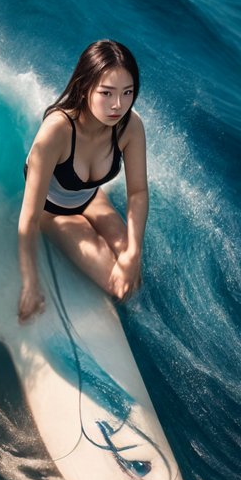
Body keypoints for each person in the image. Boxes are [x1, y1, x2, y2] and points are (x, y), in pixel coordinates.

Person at [18, 39, 148, 324]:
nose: (118, 105)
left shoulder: (130, 125)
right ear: (84, 86)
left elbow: (137, 192)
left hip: (91, 199)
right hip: (51, 214)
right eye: (106, 93)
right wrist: (30, 283)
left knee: (134, 276)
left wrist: (133, 252)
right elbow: (27, 218)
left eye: (128, 93)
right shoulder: (57, 131)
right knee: (118, 285)